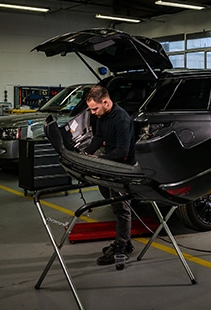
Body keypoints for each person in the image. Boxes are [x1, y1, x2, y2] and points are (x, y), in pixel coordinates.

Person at [83, 85, 136, 265]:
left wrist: (100, 160)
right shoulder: (102, 116)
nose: (93, 112)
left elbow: (122, 151)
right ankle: (125, 241)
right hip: (110, 164)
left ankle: (121, 246)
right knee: (114, 203)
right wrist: (86, 154)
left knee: (121, 209)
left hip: (122, 167)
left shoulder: (121, 119)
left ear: (105, 102)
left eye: (94, 108)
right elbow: (98, 137)